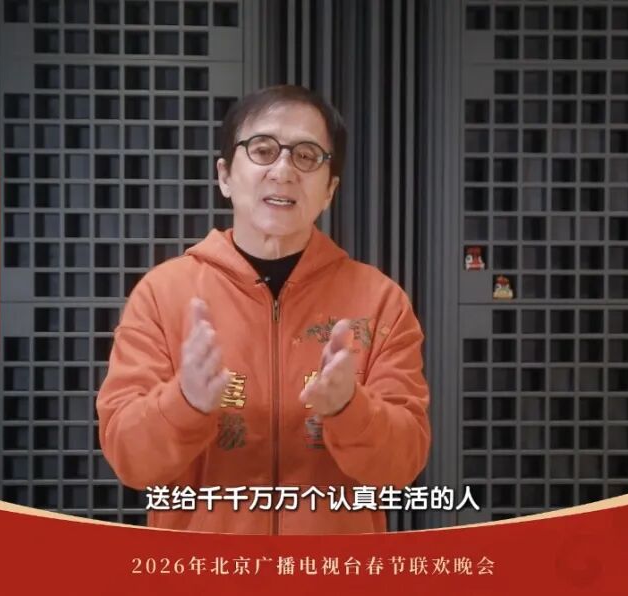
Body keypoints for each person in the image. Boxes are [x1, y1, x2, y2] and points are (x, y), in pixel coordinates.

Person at [96, 84, 430, 534]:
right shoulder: (162, 294)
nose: (283, 170)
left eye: (306, 156)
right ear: (225, 175)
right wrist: (185, 401)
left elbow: (402, 465)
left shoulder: (380, 301)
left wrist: (349, 407)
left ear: (329, 190)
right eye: (263, 150)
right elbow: (130, 460)